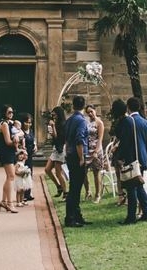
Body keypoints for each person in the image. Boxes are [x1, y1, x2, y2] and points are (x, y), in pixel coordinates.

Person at [115, 96, 147, 224]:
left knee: (132, 188)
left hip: (132, 158)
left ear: (128, 107)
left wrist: (120, 157)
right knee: (139, 185)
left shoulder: (129, 121)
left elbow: (125, 141)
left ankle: (131, 217)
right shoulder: (145, 122)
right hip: (142, 158)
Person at [63, 94, 90, 227]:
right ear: (83, 106)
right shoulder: (81, 121)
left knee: (75, 187)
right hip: (77, 157)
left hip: (70, 155)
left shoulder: (69, 120)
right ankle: (71, 218)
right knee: (75, 188)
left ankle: (77, 215)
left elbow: (67, 139)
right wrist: (81, 158)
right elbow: (79, 140)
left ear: (73, 106)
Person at [0, 104, 19, 213]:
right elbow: (8, 142)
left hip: (10, 152)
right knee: (11, 176)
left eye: (12, 112)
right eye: (9, 112)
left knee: (9, 177)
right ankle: (10, 203)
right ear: (4, 113)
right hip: (6, 152)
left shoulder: (10, 123)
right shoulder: (4, 124)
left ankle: (4, 201)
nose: (11, 114)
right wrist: (15, 141)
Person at [85, 104, 107, 203]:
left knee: (96, 172)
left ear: (95, 110)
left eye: (91, 111)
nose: (90, 114)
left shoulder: (99, 123)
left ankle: (98, 194)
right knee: (83, 172)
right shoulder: (86, 122)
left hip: (96, 150)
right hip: (87, 149)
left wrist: (96, 151)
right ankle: (87, 191)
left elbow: (100, 139)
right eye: (88, 112)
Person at [45, 106, 67, 197]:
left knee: (58, 172)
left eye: (55, 115)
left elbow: (58, 137)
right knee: (47, 169)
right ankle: (59, 187)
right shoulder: (56, 123)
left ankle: (65, 192)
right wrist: (51, 127)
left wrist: (53, 126)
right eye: (52, 115)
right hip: (55, 149)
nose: (53, 116)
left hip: (60, 149)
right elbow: (53, 136)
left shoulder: (63, 124)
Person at [21, 113, 37, 202]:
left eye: (30, 123)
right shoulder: (21, 132)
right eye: (26, 122)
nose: (28, 124)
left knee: (29, 173)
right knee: (23, 174)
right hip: (23, 156)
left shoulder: (30, 131)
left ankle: (28, 193)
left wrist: (35, 146)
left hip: (30, 155)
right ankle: (22, 194)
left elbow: (33, 140)